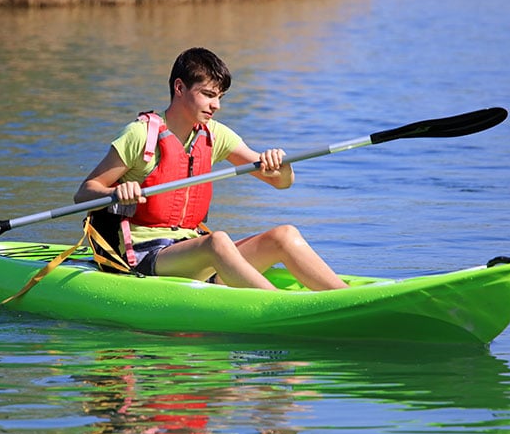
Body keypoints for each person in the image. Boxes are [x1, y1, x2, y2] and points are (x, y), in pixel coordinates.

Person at [74, 47, 348, 291]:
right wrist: (116, 192)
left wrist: (281, 166)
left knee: (285, 235)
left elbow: (280, 183)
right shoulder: (139, 135)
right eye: (208, 95)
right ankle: (278, 307)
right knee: (217, 241)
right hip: (145, 256)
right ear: (179, 88)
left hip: (192, 249)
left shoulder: (213, 134)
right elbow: (85, 193)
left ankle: (344, 300)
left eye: (220, 97)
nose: (216, 105)